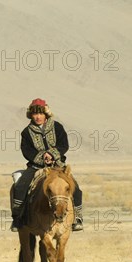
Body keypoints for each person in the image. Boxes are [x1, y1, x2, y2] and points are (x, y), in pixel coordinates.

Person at [11, 98, 83, 232]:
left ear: (46, 114)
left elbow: (64, 145)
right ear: (31, 115)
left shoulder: (57, 127)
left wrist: (52, 154)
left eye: (40, 113)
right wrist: (42, 158)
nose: (38, 117)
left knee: (75, 187)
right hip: (36, 167)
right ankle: (17, 219)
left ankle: (77, 218)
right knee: (20, 187)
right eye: (34, 114)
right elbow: (26, 151)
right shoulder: (26, 132)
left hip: (58, 166)